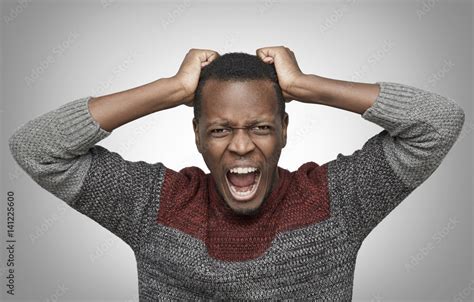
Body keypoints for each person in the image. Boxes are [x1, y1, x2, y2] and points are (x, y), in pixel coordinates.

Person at [8, 46, 465, 300]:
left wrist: (305, 86)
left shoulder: (334, 202)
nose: (242, 145)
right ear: (197, 135)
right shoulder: (156, 206)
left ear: (284, 130)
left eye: (261, 127)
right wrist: (171, 89)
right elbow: (36, 148)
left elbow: (438, 123)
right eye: (221, 129)